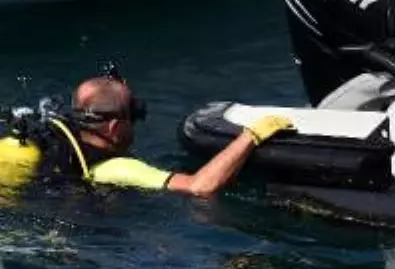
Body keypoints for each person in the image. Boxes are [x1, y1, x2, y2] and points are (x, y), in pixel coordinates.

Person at [0, 68, 294, 197]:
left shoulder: (36, 134)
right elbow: (198, 187)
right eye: (132, 119)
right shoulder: (113, 168)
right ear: (115, 127)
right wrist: (250, 136)